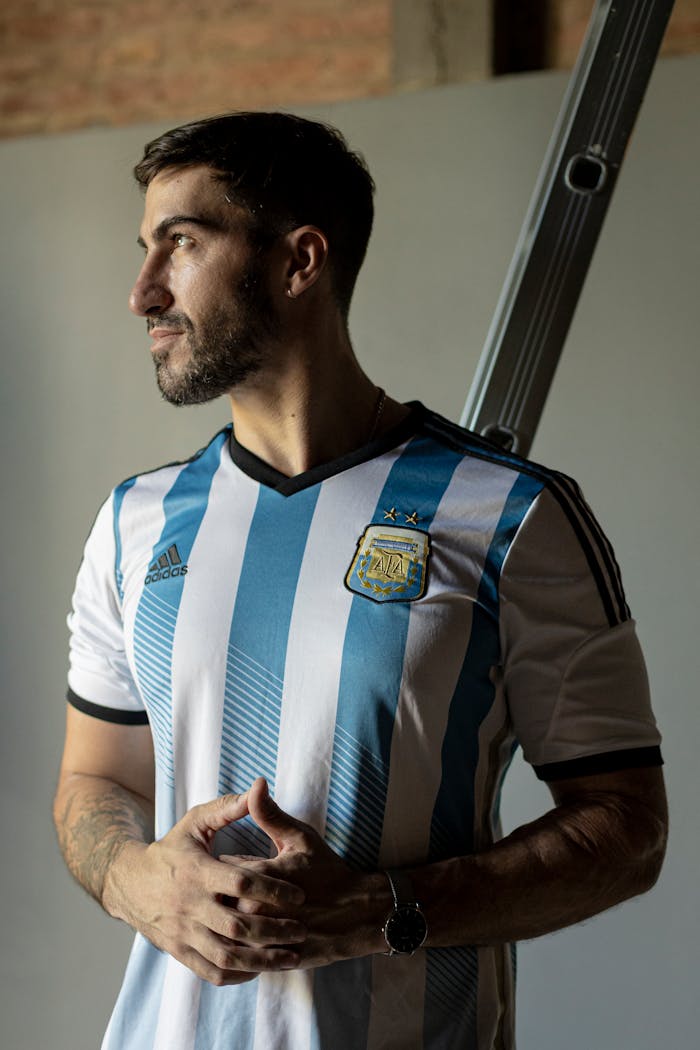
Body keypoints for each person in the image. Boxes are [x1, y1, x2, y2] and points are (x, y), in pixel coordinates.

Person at [53, 111, 667, 1050]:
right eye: (145, 249)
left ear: (300, 263)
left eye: (181, 243)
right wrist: (134, 878)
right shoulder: (135, 524)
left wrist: (387, 911)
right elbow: (94, 780)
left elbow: (627, 832)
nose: (142, 292)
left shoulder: (513, 515)